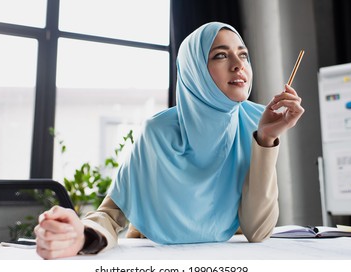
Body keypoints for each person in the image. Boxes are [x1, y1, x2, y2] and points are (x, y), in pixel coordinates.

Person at [34, 21, 304, 259]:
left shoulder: (254, 124)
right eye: (221, 55)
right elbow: (110, 214)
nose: (238, 65)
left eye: (243, 55)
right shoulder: (158, 132)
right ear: (194, 70)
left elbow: (258, 231)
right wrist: (81, 235)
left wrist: (266, 139)